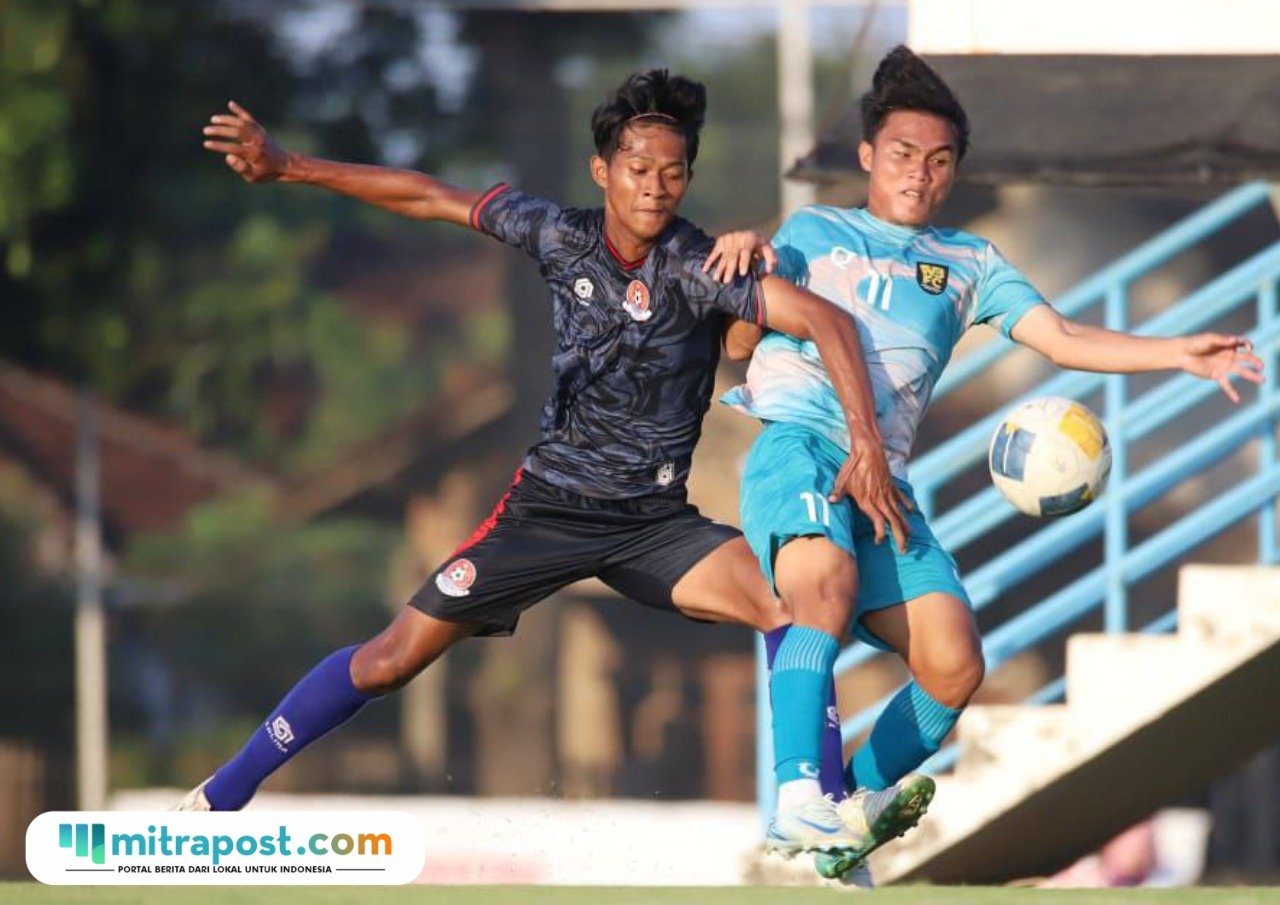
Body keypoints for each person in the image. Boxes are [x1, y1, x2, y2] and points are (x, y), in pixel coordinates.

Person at [184, 69, 919, 859]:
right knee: (388, 661)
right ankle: (215, 800)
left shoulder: (705, 266)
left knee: (786, 607)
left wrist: (867, 445)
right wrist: (289, 165)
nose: (656, 186)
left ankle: (819, 811)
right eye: (639, 169)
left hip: (654, 524)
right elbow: (429, 197)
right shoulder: (557, 233)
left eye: (673, 172)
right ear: (603, 170)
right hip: (547, 510)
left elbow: (829, 322)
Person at [711, 45, 1264, 874]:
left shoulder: (969, 263)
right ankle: (800, 796)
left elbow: (1064, 337)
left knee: (953, 662)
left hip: (886, 483)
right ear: (867, 155)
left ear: (954, 171)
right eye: (902, 153)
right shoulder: (812, 233)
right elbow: (736, 344)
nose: (918, 173)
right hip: (802, 445)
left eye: (938, 161)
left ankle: (849, 808)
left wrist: (1178, 353)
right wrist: (744, 268)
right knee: (821, 588)